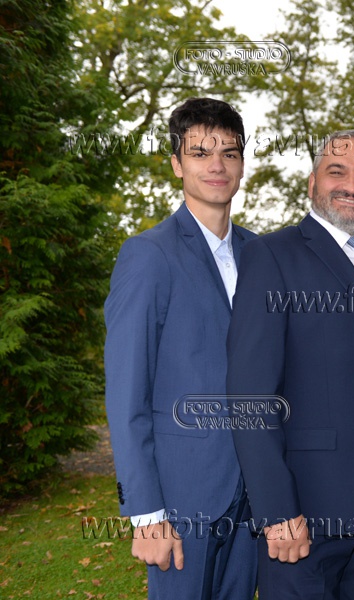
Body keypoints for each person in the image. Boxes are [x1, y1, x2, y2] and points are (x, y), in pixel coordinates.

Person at [225, 130, 354, 599]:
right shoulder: (271, 255)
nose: (352, 186)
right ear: (312, 182)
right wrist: (276, 510)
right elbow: (250, 396)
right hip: (306, 510)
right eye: (337, 172)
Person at [104, 97, 257, 599]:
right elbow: (126, 394)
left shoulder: (262, 253)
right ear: (176, 164)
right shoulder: (148, 255)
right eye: (200, 153)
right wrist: (146, 513)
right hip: (182, 499)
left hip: (253, 498)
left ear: (242, 164)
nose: (217, 165)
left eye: (229, 153)